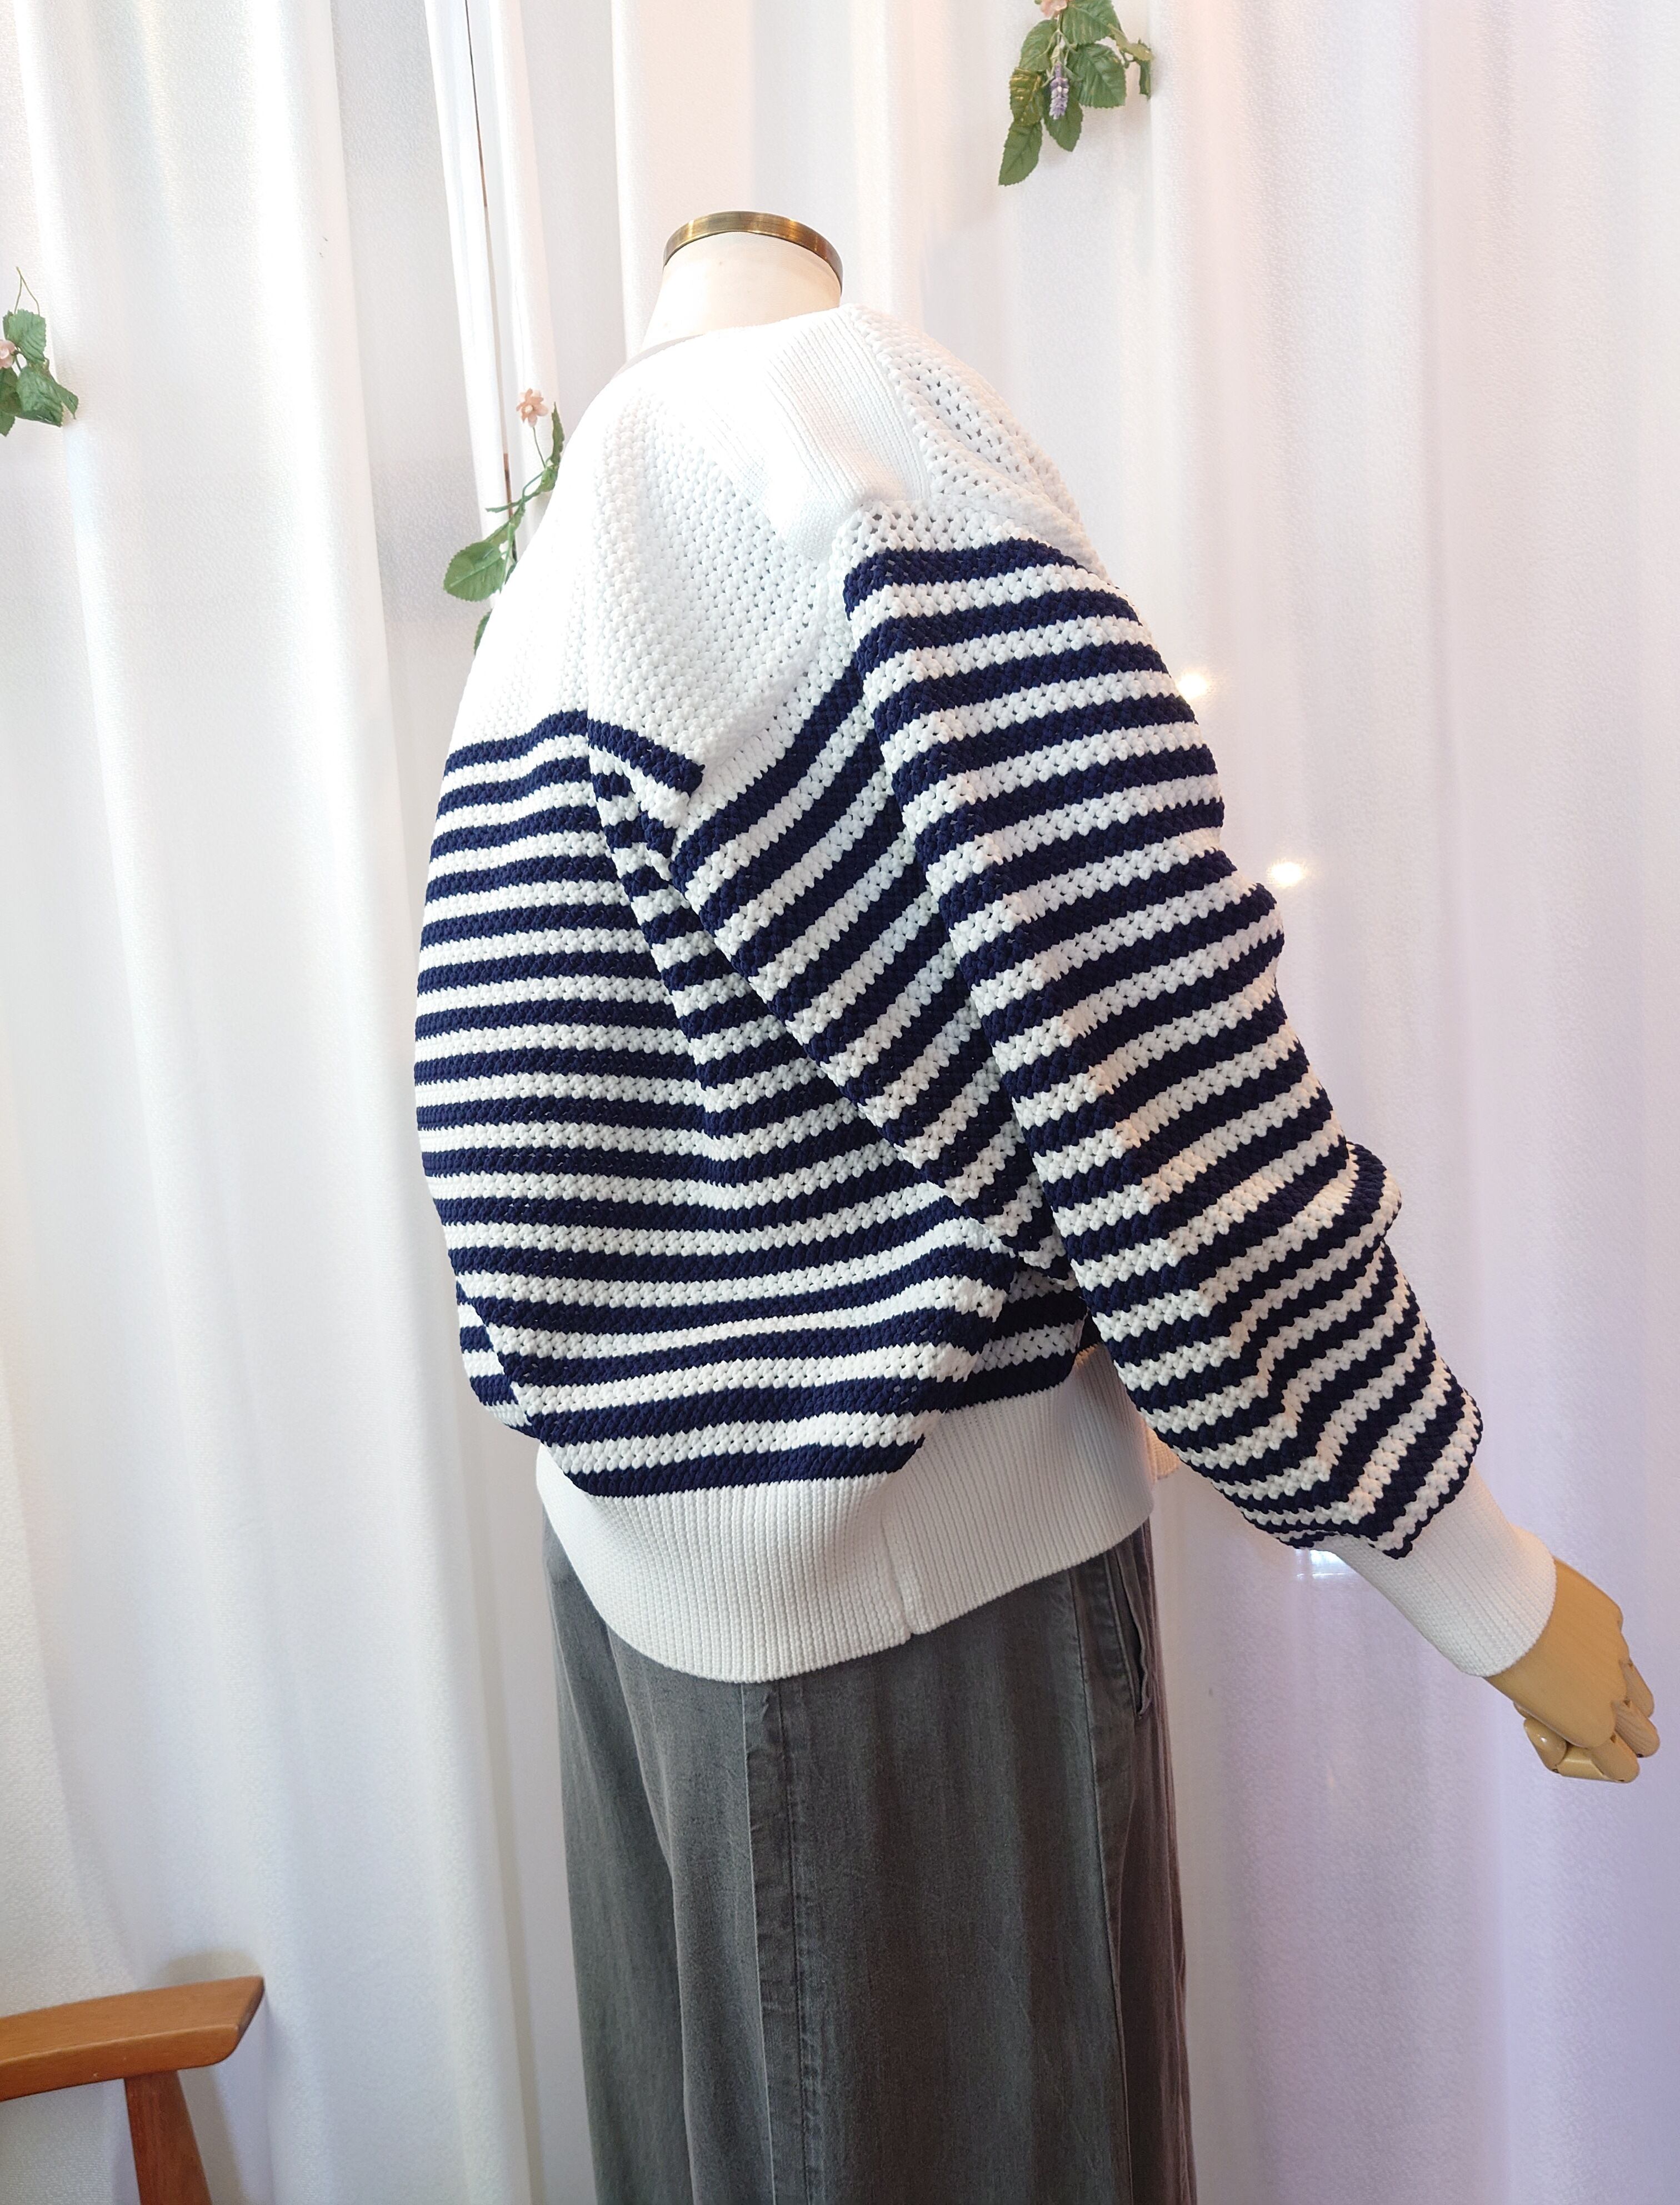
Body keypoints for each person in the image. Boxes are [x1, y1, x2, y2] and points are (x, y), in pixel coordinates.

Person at [414, 212, 1657, 2205]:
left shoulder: (562, 578)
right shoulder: (827, 439)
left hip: (653, 1635)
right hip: (911, 1658)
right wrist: (1480, 1578)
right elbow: (1138, 1044)